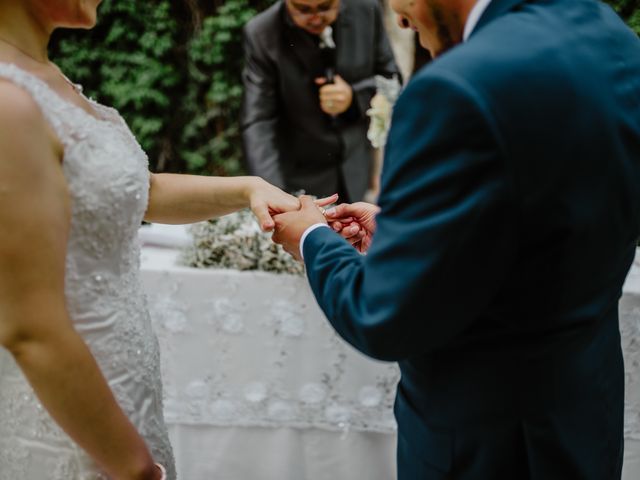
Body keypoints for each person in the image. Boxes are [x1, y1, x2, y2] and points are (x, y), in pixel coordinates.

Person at [271, 0, 640, 478]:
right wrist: (428, 231)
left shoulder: (456, 87)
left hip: (483, 444)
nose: (401, 19)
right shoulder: (606, 29)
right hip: (584, 419)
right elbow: (565, 210)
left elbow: (382, 317)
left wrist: (312, 238)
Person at [0, 1, 335, 478]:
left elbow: (140, 189)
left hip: (123, 384)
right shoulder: (7, 102)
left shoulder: (44, 75)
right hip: (65, 415)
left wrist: (248, 189)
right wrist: (133, 467)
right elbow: (30, 329)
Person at [240, 0, 401, 203]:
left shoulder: (366, 9)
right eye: (303, 10)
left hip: (356, 170)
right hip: (299, 178)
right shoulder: (261, 33)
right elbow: (258, 120)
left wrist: (354, 98)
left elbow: (392, 80)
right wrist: (272, 193)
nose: (316, 18)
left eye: (325, 7)